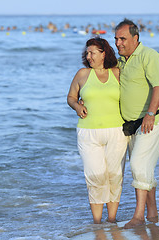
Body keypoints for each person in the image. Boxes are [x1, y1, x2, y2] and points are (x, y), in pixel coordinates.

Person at [67, 37, 127, 224]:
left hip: (117, 131)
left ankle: (111, 220)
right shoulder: (82, 74)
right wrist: (77, 106)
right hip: (88, 133)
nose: (88, 56)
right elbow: (70, 97)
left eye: (92, 52)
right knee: (95, 176)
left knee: (114, 176)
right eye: (87, 53)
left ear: (104, 53)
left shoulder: (117, 73)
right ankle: (97, 222)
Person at [114, 18, 159, 229]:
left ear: (136, 38)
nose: (118, 43)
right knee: (144, 168)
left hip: (151, 120)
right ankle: (152, 210)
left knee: (137, 164)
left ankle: (139, 216)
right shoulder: (121, 61)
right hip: (129, 125)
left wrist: (150, 113)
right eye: (116, 38)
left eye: (123, 39)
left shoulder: (150, 56)